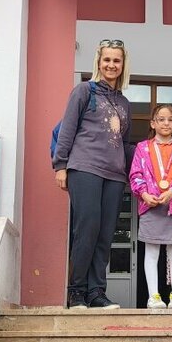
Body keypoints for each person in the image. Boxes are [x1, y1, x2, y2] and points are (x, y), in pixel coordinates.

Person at [53, 39, 132, 309]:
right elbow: (67, 129)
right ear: (99, 62)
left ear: (123, 65)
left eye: (116, 60)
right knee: (87, 230)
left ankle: (96, 292)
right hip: (84, 168)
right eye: (107, 59)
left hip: (115, 175)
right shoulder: (84, 91)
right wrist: (60, 165)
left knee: (105, 235)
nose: (111, 65)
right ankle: (77, 292)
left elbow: (124, 143)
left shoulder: (124, 103)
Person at [129, 105, 172, 309]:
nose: (166, 123)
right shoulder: (142, 148)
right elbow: (135, 174)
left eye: (171, 119)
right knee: (151, 251)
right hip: (150, 205)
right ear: (153, 123)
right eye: (161, 119)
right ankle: (153, 296)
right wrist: (144, 194)